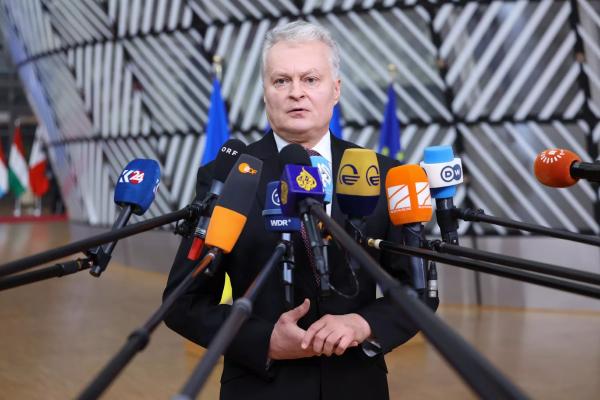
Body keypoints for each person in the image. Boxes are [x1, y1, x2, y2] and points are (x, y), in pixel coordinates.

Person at [163, 20, 437, 400]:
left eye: (310, 79)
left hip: (358, 386)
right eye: (281, 81)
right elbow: (183, 302)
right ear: (265, 93)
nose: (296, 93)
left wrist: (363, 324)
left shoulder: (385, 175)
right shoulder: (227, 176)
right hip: (261, 388)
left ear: (335, 90)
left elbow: (419, 290)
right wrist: (265, 340)